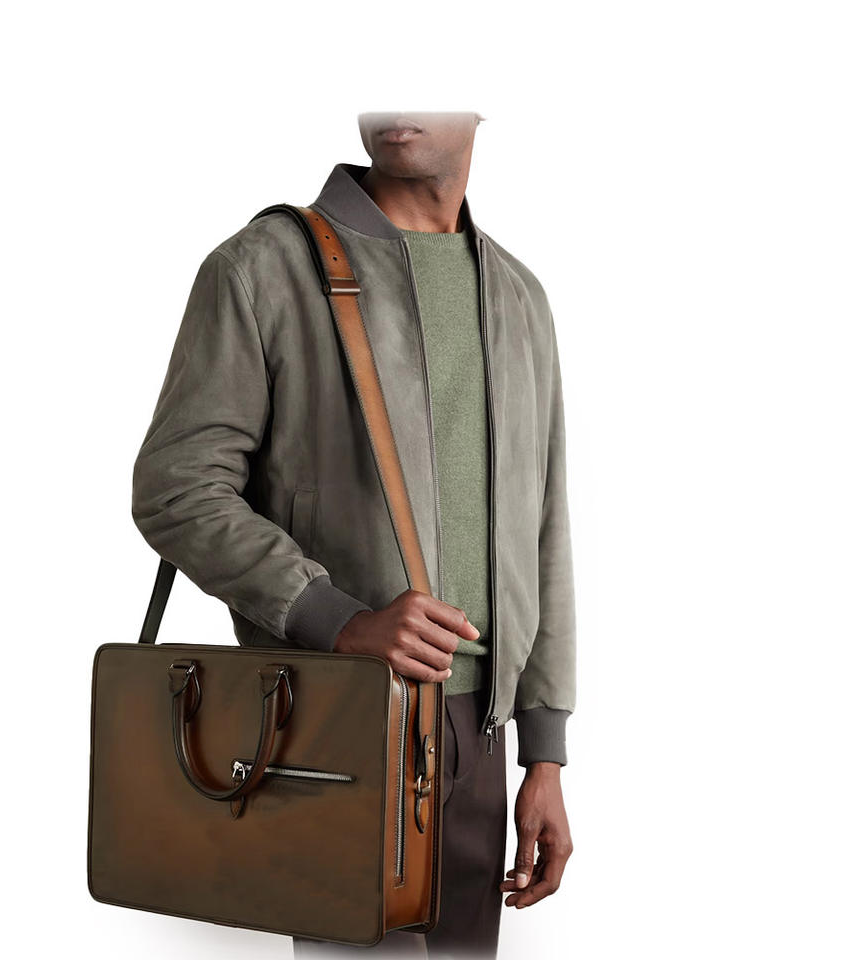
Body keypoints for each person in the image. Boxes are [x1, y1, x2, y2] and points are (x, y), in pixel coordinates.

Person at [132, 111, 576, 960]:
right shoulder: (264, 268)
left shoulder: (518, 296)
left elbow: (544, 528)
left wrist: (545, 754)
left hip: (485, 741)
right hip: (343, 727)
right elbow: (175, 489)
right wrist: (336, 618)